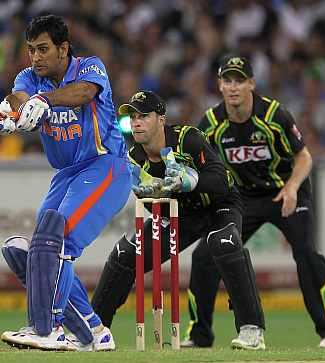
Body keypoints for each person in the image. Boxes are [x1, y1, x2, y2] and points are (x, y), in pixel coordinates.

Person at [0, 14, 132, 351]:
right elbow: (19, 97)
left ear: (63, 49)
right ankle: (94, 332)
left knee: (58, 237)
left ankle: (47, 329)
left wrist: (44, 101)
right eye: (30, 50)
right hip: (65, 175)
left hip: (104, 166)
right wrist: (10, 115)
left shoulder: (89, 68)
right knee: (38, 249)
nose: (35, 57)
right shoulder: (29, 77)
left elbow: (82, 94)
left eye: (42, 49)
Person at [184, 55, 325, 349]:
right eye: (227, 81)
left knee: (307, 253)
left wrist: (293, 187)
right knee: (204, 256)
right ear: (219, 85)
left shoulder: (274, 115)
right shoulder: (210, 123)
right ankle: (199, 335)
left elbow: (304, 157)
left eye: (240, 80)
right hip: (243, 198)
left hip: (284, 191)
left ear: (252, 84)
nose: (233, 87)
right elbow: (199, 167)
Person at [90, 90, 266, 350]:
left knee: (224, 242)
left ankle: (252, 329)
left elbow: (221, 180)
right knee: (124, 254)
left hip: (219, 206)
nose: (136, 122)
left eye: (143, 116)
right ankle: (94, 330)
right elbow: (153, 207)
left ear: (161, 119)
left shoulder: (188, 139)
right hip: (179, 215)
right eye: (133, 118)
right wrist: (152, 195)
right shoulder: (134, 158)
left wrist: (190, 180)